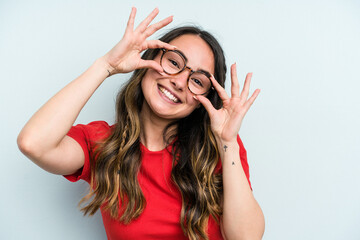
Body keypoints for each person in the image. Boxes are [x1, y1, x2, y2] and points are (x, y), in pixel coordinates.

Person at [17, 7, 265, 240]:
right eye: (174, 63)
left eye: (197, 81)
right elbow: (33, 144)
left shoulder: (219, 146)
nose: (179, 82)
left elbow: (247, 237)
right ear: (148, 60)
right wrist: (106, 66)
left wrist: (228, 142)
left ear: (203, 101)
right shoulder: (103, 144)